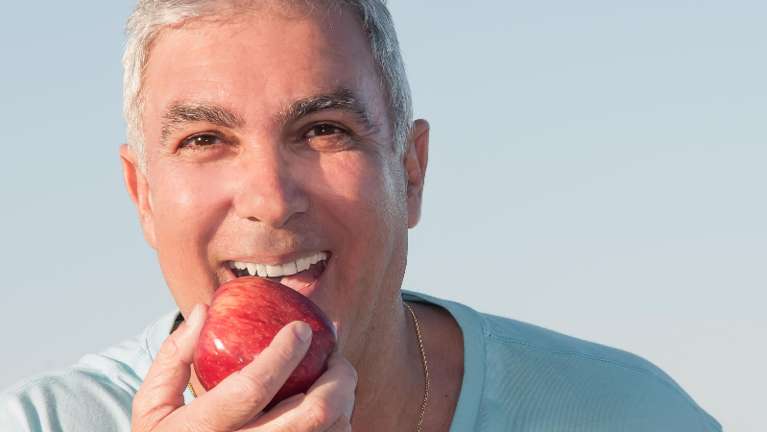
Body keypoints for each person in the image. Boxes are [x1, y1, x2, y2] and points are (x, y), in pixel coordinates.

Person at [0, 1, 722, 431]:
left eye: (324, 129)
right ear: (143, 197)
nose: (270, 198)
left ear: (409, 172)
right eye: (204, 140)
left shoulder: (625, 413)